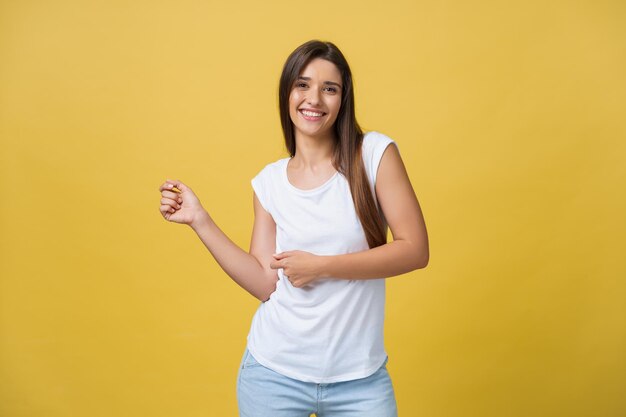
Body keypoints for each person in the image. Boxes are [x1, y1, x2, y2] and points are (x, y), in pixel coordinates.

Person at [157, 40, 429, 417]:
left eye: (329, 88)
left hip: (360, 380)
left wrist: (322, 266)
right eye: (302, 85)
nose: (313, 98)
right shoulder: (269, 183)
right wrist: (199, 220)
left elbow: (415, 249)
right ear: (287, 93)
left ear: (342, 99)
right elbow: (265, 283)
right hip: (273, 375)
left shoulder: (374, 156)